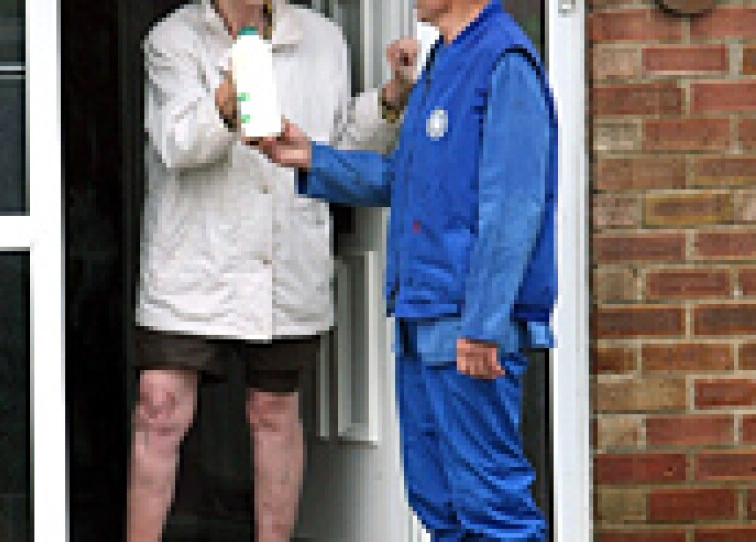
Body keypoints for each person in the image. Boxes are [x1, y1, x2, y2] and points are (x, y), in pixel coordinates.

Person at [256, 0, 557, 540]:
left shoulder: (504, 60)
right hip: (420, 318)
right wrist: (312, 159)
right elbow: (406, 177)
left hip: (467, 327)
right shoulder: (443, 60)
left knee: (492, 508)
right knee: (437, 504)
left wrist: (484, 325)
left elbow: (514, 206)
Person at [127, 1, 416, 541]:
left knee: (273, 412)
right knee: (158, 410)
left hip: (284, 257)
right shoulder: (173, 40)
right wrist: (226, 98)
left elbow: (338, 147)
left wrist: (391, 98)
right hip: (194, 259)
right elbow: (176, 144)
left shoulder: (324, 40)